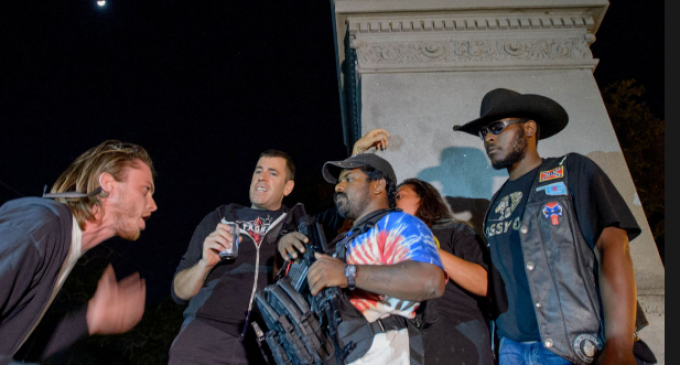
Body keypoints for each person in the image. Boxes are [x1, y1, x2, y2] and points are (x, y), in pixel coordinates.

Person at [453, 88, 641, 365]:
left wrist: (620, 343)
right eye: (484, 133)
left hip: (571, 347)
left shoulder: (572, 171)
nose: (489, 138)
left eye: (497, 127)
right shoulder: (496, 205)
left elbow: (613, 246)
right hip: (511, 350)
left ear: (529, 128)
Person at [278, 152, 446, 365]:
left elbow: (430, 281)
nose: (338, 187)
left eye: (348, 179)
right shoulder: (342, 240)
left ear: (378, 185)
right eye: (338, 182)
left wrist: (347, 273)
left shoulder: (399, 224)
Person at [0, 140, 156, 365]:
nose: (153, 205)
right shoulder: (39, 230)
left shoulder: (62, 244)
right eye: (145, 190)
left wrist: (91, 318)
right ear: (108, 185)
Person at [396, 178, 494, 365]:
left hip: (462, 336)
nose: (394, 203)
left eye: (399, 196)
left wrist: (427, 247)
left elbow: (485, 284)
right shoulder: (391, 245)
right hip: (418, 344)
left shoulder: (455, 231)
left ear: (422, 198)